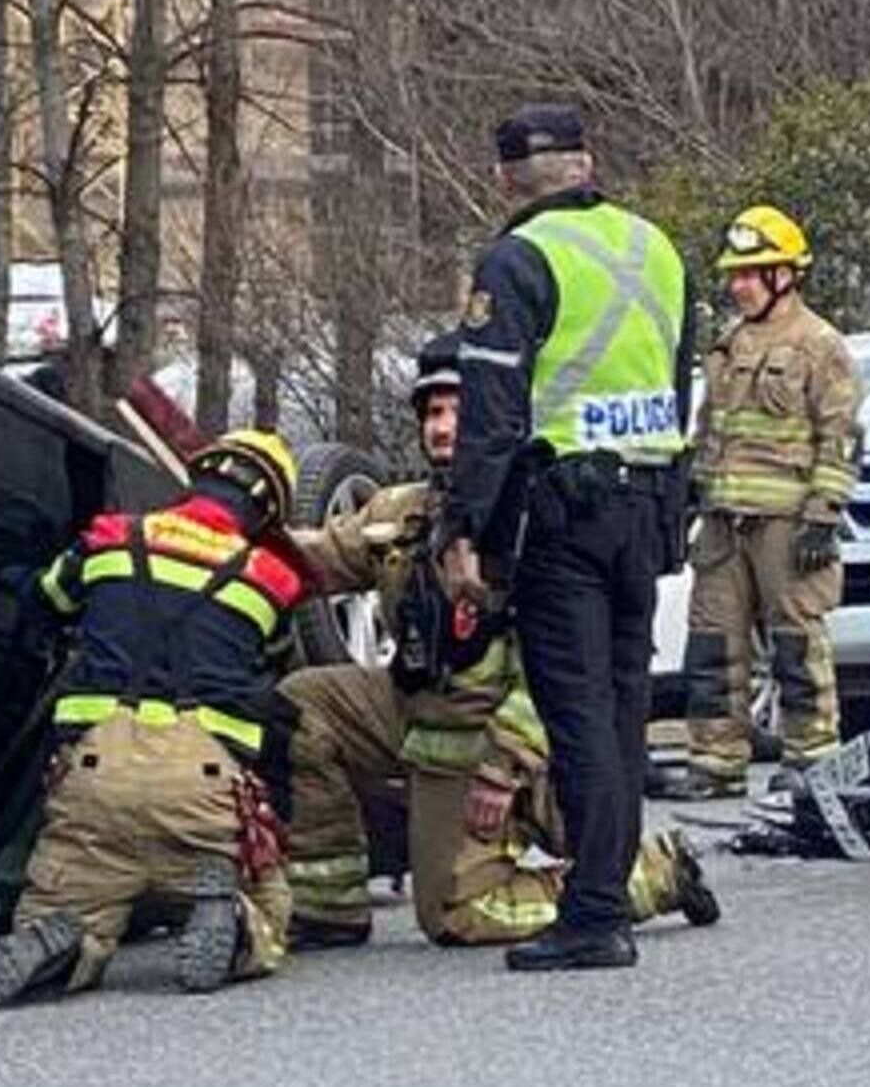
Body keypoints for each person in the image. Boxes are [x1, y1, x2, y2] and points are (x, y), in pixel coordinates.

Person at [281, 332, 716, 950]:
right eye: (432, 412)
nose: (441, 427)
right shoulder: (401, 511)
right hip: (425, 715)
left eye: (459, 410)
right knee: (301, 704)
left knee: (457, 915)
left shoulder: (537, 524)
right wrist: (217, 534)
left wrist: (503, 765)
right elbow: (314, 561)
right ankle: (329, 907)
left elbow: (565, 668)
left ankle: (648, 874)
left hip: (516, 736)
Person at [439, 102, 699, 972]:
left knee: (576, 710)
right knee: (624, 709)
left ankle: (593, 912)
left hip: (567, 515)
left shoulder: (518, 260)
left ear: (506, 176)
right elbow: (677, 385)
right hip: (647, 506)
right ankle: (609, 887)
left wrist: (468, 528)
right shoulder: (658, 249)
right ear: (588, 162)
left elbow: (492, 413)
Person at [0, 429, 311, 1009]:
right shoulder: (271, 578)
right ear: (266, 509)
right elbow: (270, 665)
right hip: (203, 792)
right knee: (273, 910)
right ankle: (236, 924)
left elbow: (47, 600)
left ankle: (65, 943)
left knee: (66, 910)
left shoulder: (111, 536)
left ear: (195, 480)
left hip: (95, 777)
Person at [652, 206, 862, 800]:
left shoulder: (820, 346)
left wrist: (825, 513)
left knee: (797, 644)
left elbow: (841, 435)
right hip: (723, 524)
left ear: (785, 275)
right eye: (736, 275)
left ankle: (813, 759)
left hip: (789, 526)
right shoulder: (726, 346)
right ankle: (715, 762)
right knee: (713, 645)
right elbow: (708, 431)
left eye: (753, 273)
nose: (740, 285)